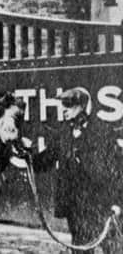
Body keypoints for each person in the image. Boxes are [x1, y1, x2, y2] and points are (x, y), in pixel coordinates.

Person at [31, 87, 123, 254]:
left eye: (68, 105)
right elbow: (46, 160)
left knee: (110, 247)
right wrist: (27, 157)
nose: (64, 110)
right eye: (62, 105)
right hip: (74, 205)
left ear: (82, 106)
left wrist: (117, 202)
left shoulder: (102, 132)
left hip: (100, 204)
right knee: (80, 247)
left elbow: (116, 169)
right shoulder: (63, 133)